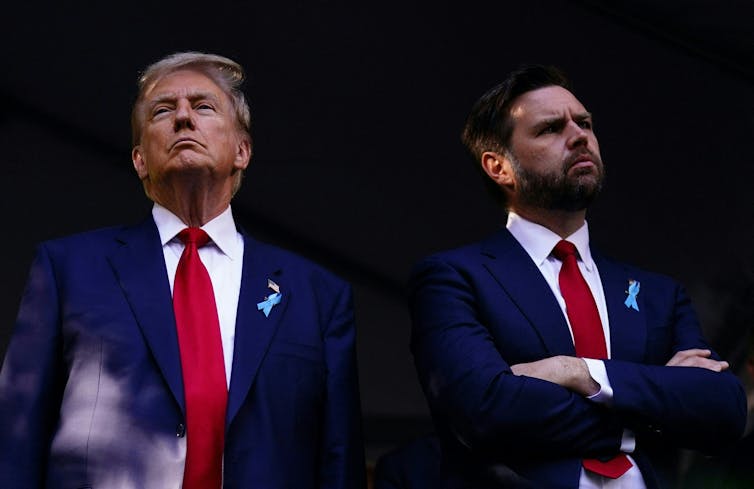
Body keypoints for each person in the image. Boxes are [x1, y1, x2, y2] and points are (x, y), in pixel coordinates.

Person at [0, 52, 365, 489]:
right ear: (139, 160)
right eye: (162, 110)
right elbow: (15, 440)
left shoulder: (318, 294)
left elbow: (339, 459)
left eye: (204, 106)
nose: (183, 118)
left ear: (243, 150)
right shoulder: (66, 270)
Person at [408, 65, 746, 489]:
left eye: (584, 123)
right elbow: (484, 410)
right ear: (499, 168)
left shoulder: (658, 293)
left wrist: (578, 372)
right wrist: (656, 407)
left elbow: (724, 409)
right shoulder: (453, 278)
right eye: (551, 128)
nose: (579, 135)